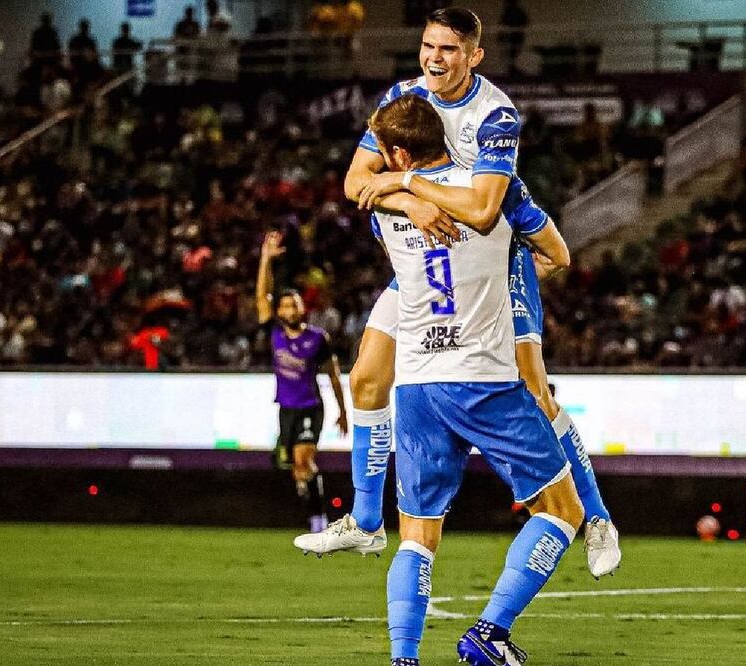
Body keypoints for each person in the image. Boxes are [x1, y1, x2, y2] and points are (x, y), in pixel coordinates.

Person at [295, 7, 621, 578]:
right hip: (428, 253)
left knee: (535, 392)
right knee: (368, 377)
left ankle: (595, 518)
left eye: (447, 50)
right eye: (427, 46)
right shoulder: (403, 96)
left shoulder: (495, 113)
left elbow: (486, 208)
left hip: (498, 258)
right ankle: (366, 522)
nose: (434, 59)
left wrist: (404, 185)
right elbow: (355, 183)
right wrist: (412, 202)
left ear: (475, 55)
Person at [349, 92, 583, 666]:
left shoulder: (387, 206)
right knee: (562, 511)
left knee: (417, 534)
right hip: (484, 378)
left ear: (400, 152)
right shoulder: (498, 194)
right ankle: (490, 631)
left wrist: (400, 186)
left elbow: (373, 188)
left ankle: (403, 657)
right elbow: (558, 255)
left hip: (418, 386)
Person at [257, 231, 349, 533]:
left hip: (311, 407)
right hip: (287, 409)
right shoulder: (275, 333)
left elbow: (333, 375)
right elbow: (262, 297)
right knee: (296, 469)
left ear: (302, 309)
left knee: (304, 459)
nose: (288, 310)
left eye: (294, 305)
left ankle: (319, 520)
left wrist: (343, 410)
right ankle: (312, 503)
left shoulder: (317, 339)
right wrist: (266, 259)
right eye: (284, 306)